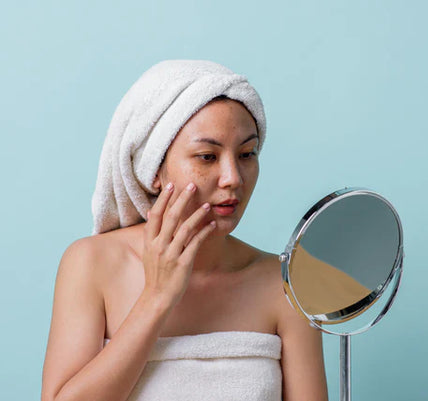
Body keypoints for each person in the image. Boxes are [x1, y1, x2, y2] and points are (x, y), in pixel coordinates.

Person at [41, 60, 328, 401]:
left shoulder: (286, 285)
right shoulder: (92, 264)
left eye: (247, 154)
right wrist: (157, 298)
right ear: (154, 172)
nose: (233, 177)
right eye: (207, 156)